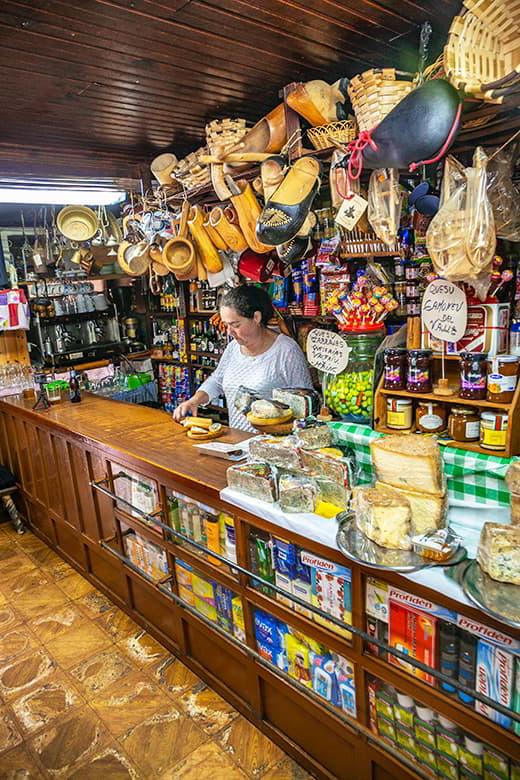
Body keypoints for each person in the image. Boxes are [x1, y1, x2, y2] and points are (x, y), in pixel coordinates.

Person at [173, 285, 313, 431]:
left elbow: (305, 404)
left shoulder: (286, 351)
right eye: (226, 325)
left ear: (256, 317)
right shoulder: (233, 348)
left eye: (235, 324)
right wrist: (195, 400)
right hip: (238, 443)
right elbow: (217, 380)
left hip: (275, 446)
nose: (229, 332)